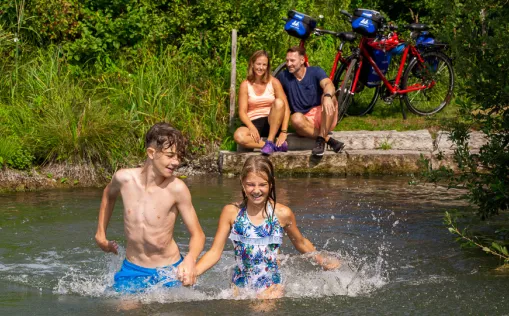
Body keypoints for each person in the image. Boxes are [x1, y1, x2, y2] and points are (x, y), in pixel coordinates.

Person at [195, 155, 340, 299]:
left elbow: (300, 242)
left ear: (271, 184)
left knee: (261, 306)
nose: (256, 190)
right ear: (242, 183)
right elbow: (214, 252)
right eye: (251, 184)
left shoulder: (282, 214)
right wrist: (193, 272)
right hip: (239, 284)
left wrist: (322, 261)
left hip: (271, 285)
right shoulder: (231, 212)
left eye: (262, 185)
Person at [94, 122, 205, 293]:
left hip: (169, 271)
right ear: (151, 153)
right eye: (170, 155)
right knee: (124, 309)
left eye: (179, 157)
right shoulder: (124, 179)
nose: (176, 162)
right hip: (133, 269)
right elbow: (108, 195)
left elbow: (198, 234)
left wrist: (190, 259)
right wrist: (100, 234)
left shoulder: (177, 188)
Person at [277, 46, 345, 156]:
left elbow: (329, 84)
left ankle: (321, 139)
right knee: (295, 118)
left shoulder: (315, 71)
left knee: (330, 97)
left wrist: (327, 96)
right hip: (305, 122)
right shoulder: (283, 76)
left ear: (302, 60)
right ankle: (326, 140)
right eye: (287, 60)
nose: (288, 64)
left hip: (324, 116)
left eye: (292, 60)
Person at [234, 50, 291, 155]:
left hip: (272, 121)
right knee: (239, 136)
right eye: (258, 64)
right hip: (253, 122)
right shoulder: (245, 85)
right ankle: (270, 146)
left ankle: (270, 140)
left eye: (264, 65)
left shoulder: (274, 82)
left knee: (279, 102)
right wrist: (251, 127)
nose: (261, 67)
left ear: (267, 67)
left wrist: (283, 131)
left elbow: (286, 108)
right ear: (252, 64)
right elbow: (242, 112)